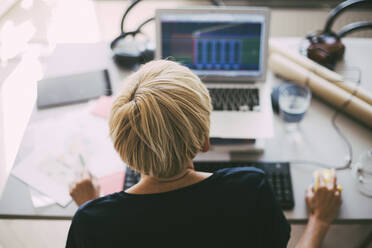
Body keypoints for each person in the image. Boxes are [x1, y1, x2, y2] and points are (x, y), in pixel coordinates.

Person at [66, 60, 342, 248]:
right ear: (204, 140)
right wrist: (320, 219)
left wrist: (90, 208)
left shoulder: (90, 222)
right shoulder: (249, 189)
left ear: (123, 152)